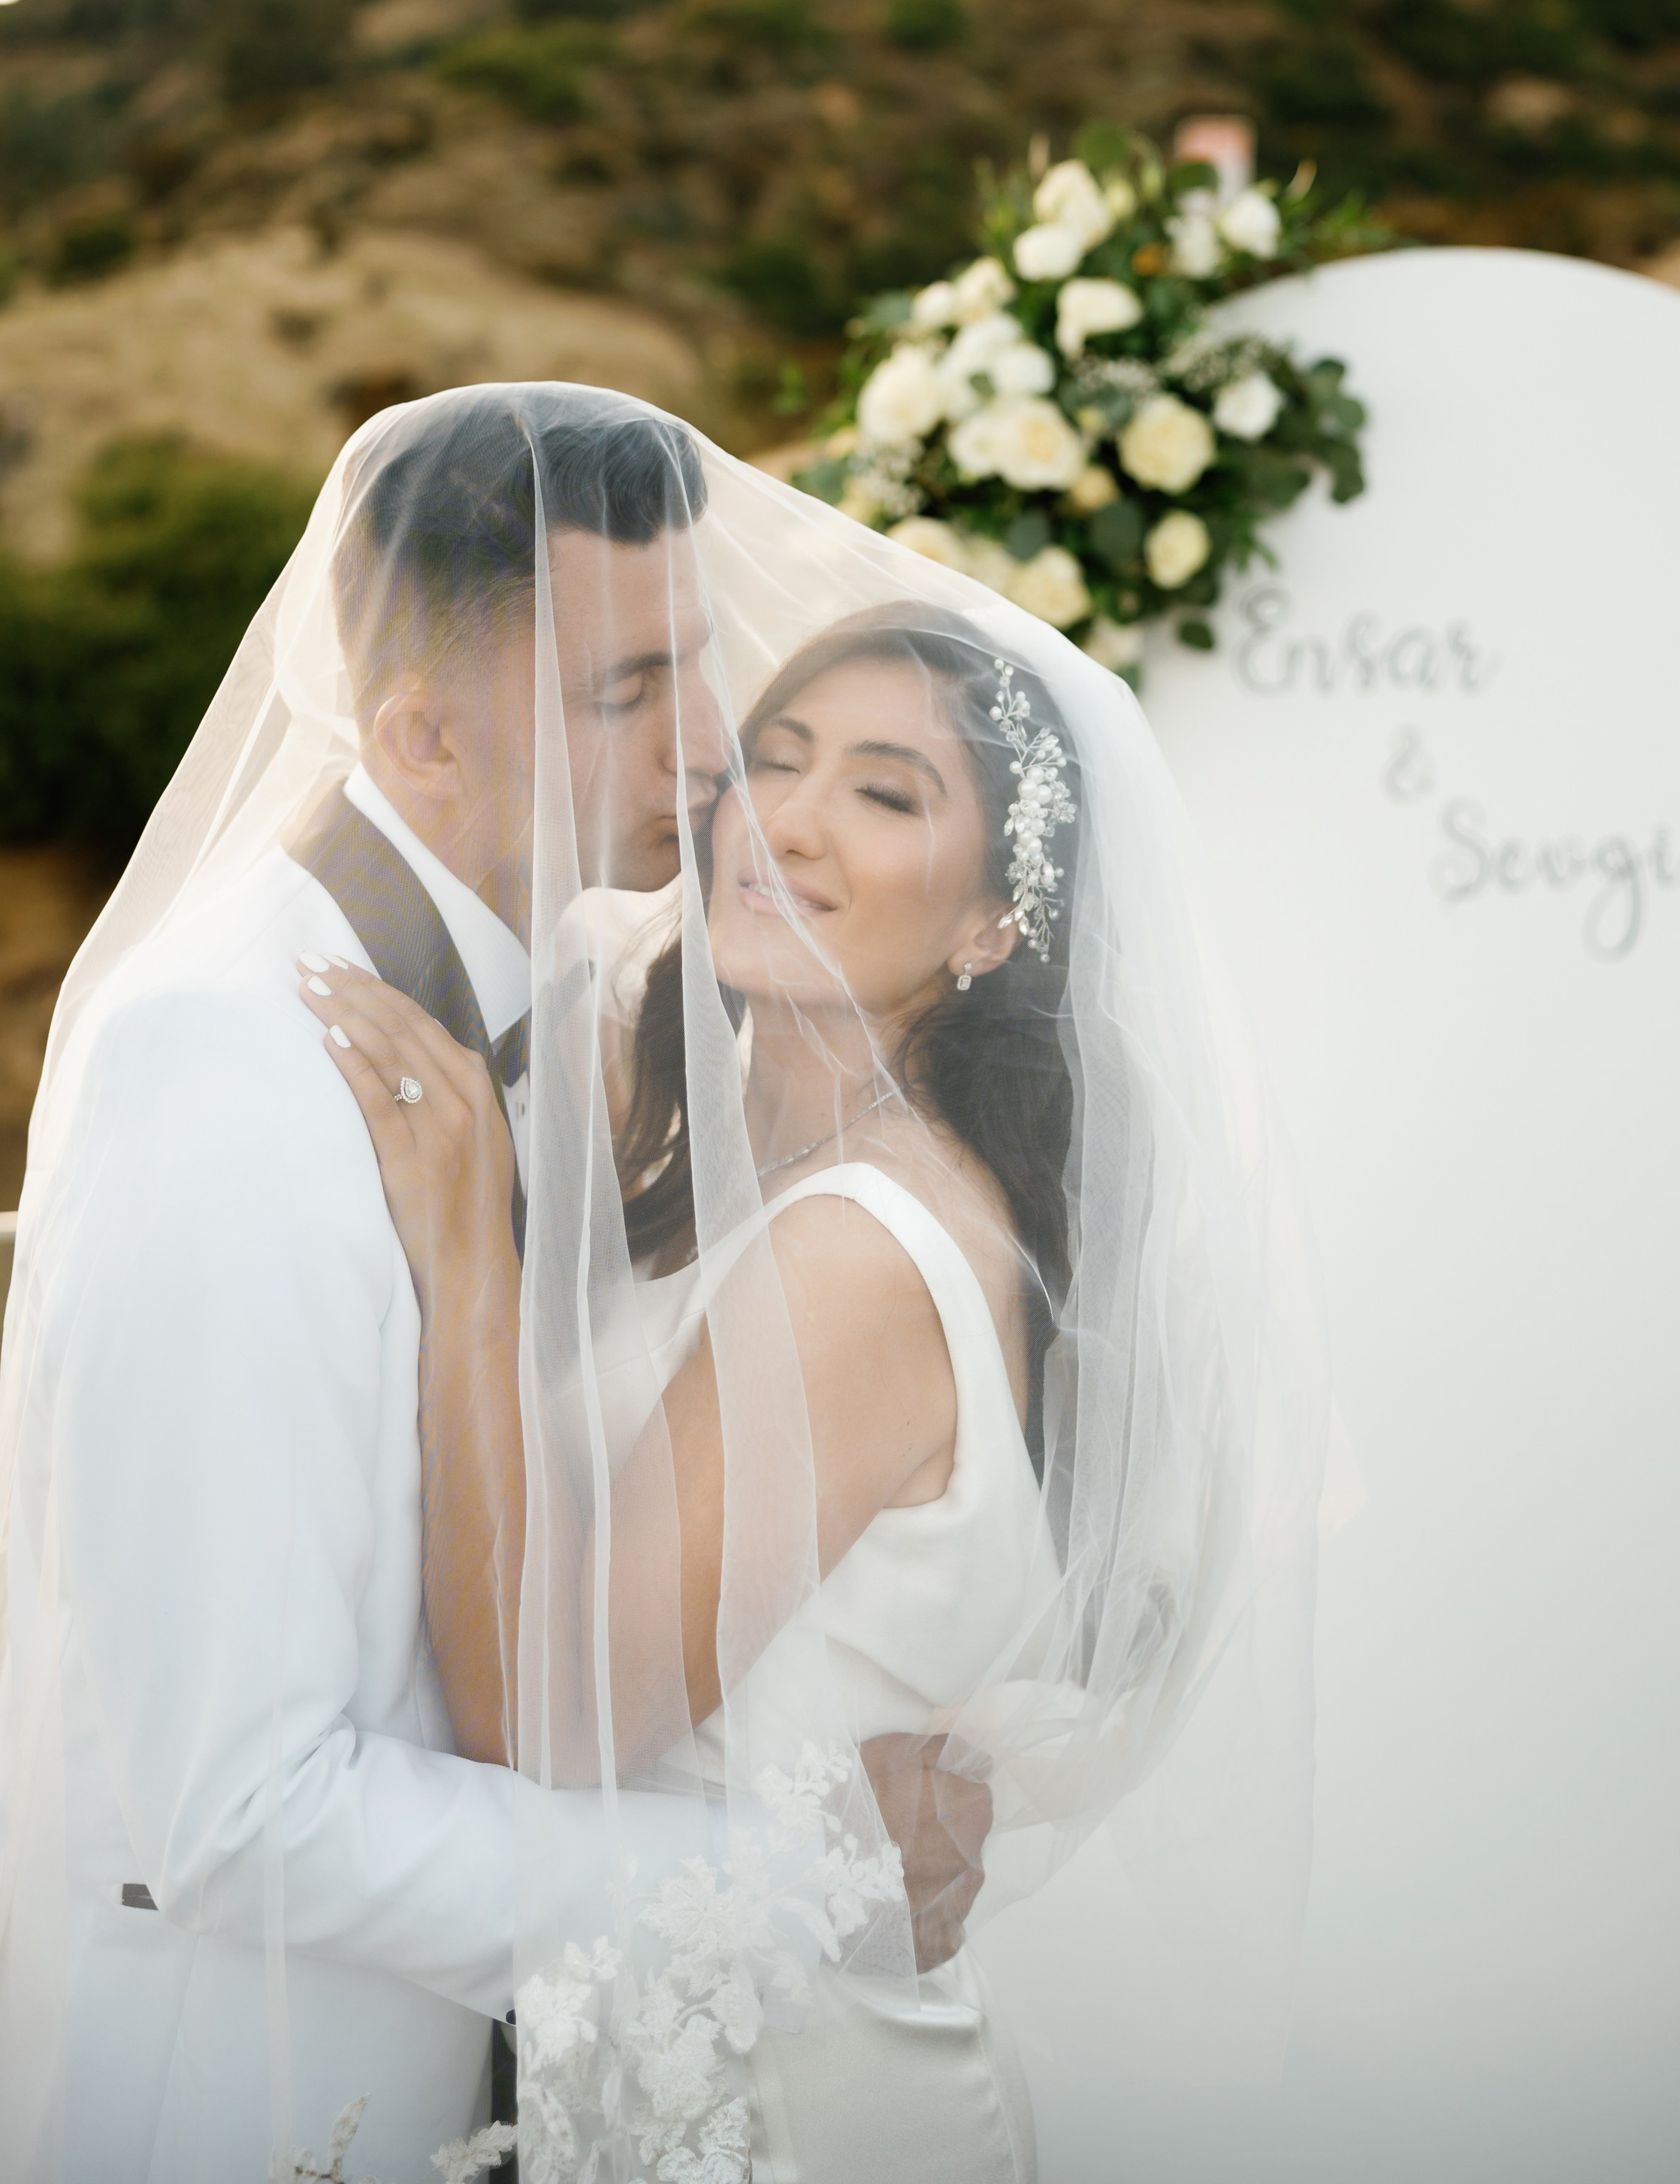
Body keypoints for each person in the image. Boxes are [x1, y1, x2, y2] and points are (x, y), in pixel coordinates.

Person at [0, 391, 993, 2183]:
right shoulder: (227, 1074)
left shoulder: (554, 992)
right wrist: (798, 1879)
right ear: (421, 735)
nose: (711, 747)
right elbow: (237, 1814)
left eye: (699, 660)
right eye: (628, 694)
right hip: (251, 2100)